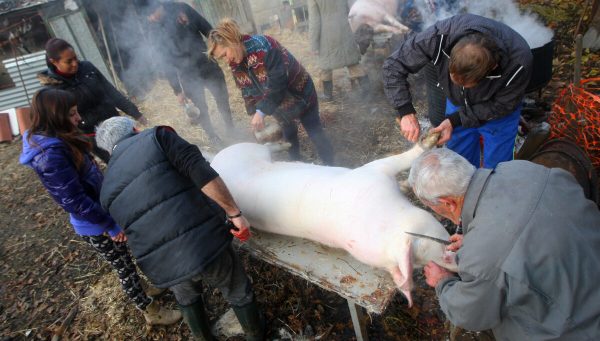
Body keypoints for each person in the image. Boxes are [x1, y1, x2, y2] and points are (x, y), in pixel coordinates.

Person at [19, 88, 180, 326]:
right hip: (95, 224)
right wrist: (109, 225)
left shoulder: (59, 138)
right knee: (123, 266)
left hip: (101, 212)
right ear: (56, 115)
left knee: (126, 257)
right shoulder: (49, 156)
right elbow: (74, 201)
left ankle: (143, 287)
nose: (78, 118)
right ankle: (150, 310)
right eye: (72, 113)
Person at [95, 117, 265, 341]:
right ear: (135, 129)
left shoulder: (106, 189)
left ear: (108, 150)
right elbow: (200, 171)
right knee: (236, 289)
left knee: (186, 296)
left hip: (164, 263)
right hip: (202, 244)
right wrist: (234, 213)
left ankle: (203, 337)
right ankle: (256, 336)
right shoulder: (157, 138)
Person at [408, 148, 600, 340]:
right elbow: (522, 225)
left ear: (448, 203)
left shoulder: (483, 257)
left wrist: (443, 282)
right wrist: (477, 237)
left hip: (580, 330)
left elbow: (470, 314)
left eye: (432, 207)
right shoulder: (520, 169)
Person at [383, 14, 533, 168]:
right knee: (458, 163)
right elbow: (394, 65)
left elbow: (502, 105)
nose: (460, 85)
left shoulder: (519, 62)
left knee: (498, 168)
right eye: (453, 78)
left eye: (466, 84)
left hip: (499, 112)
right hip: (457, 103)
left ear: (492, 69)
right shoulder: (439, 37)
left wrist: (455, 120)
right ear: (451, 55)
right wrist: (405, 111)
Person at [207, 19, 334, 165]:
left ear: (232, 41)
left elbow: (278, 83)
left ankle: (331, 165)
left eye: (224, 54)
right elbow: (246, 90)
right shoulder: (236, 63)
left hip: (300, 93)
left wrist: (261, 112)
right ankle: (297, 165)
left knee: (314, 130)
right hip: (278, 103)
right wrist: (253, 113)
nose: (227, 61)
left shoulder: (265, 46)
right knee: (289, 133)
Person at [38, 38, 147, 163]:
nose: (75, 64)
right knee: (121, 163)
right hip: (93, 135)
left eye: (75, 58)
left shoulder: (87, 68)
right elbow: (62, 124)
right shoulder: (53, 89)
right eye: (69, 61)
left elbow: (111, 92)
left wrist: (135, 113)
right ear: (54, 62)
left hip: (115, 122)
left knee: (140, 153)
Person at [147, 1, 233, 143]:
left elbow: (208, 29)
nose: (150, 18)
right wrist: (177, 91)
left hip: (206, 62)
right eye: (148, 16)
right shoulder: (153, 30)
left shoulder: (182, 9)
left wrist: (220, 47)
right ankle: (213, 137)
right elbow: (165, 63)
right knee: (200, 108)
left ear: (159, 6)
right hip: (187, 73)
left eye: (151, 14)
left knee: (222, 97)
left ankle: (230, 127)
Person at [308, 0, 369, 101]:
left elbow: (315, 20)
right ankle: (368, 93)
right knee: (353, 62)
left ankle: (327, 95)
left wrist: (313, 44)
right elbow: (352, 9)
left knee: (325, 66)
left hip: (326, 35)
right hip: (345, 30)